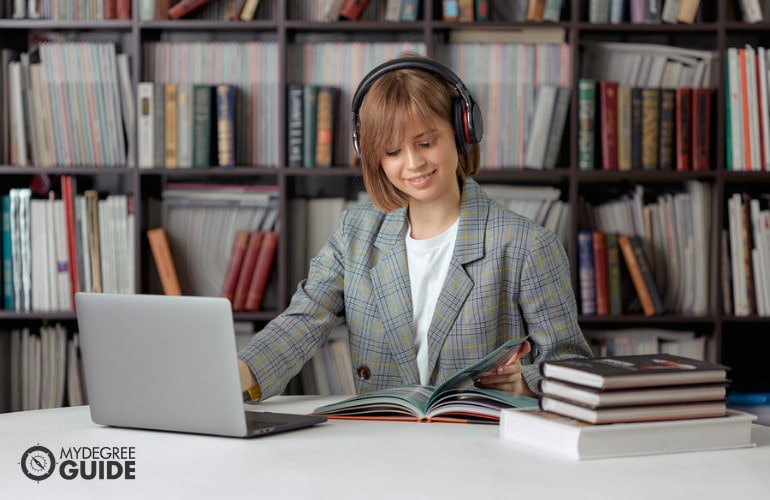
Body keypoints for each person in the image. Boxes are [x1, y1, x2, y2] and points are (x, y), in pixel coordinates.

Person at [238, 54, 592, 401]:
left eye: (426, 143)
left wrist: (526, 382)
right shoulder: (356, 233)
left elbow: (571, 364)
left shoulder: (527, 245)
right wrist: (241, 373)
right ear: (370, 154)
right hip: (385, 439)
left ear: (461, 132)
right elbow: (303, 320)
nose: (413, 163)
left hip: (481, 444)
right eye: (392, 151)